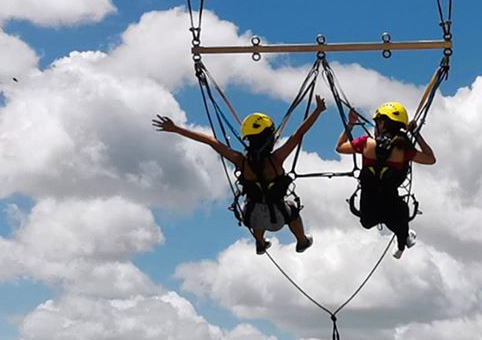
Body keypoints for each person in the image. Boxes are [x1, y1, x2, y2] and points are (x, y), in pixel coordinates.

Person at [153, 96, 325, 255]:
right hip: (280, 215)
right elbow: (298, 134)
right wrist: (318, 111)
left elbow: (210, 141)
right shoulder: (276, 159)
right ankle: (301, 240)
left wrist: (175, 129)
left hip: (253, 217)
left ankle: (260, 242)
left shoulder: (240, 160)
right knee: (291, 208)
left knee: (254, 207)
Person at [336, 101, 435, 258]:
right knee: (395, 219)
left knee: (368, 222)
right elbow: (430, 159)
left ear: (382, 124)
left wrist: (351, 123)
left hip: (370, 202)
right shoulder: (403, 150)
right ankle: (403, 234)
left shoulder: (366, 143)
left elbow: (340, 147)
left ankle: (403, 234)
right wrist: (416, 133)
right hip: (390, 202)